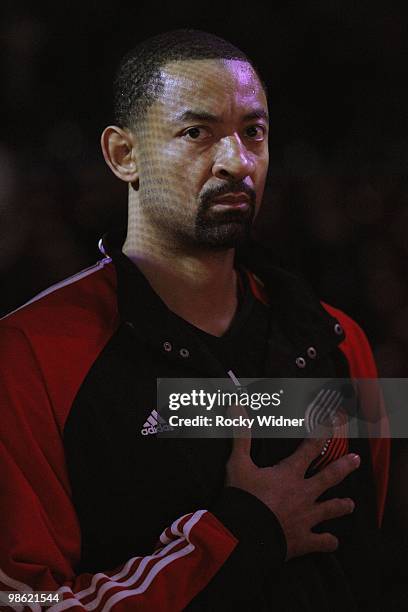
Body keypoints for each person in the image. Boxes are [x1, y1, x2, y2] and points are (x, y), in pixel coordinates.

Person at [0, 30, 390, 611]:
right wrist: (241, 535)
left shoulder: (338, 339)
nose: (237, 161)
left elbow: (370, 565)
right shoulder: (28, 355)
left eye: (253, 132)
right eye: (196, 132)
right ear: (122, 155)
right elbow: (24, 604)